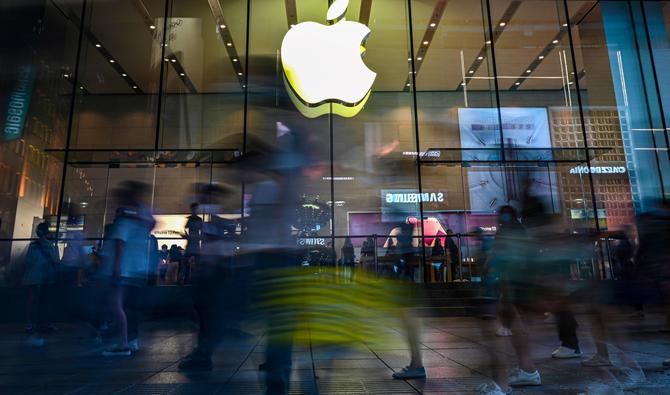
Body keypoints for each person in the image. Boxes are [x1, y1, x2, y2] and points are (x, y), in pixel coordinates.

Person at [100, 181, 155, 357]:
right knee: (127, 306)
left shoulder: (124, 221)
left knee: (116, 305)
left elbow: (119, 244)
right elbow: (151, 223)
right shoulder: (141, 219)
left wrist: (115, 268)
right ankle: (130, 340)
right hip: (136, 269)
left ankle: (123, 343)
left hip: (123, 269)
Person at [23, 222, 59, 346]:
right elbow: (55, 261)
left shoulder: (32, 246)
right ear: (48, 232)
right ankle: (44, 323)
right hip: (46, 277)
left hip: (32, 276)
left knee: (31, 300)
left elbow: (27, 261)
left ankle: (29, 324)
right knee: (45, 301)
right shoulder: (51, 246)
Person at [182, 203, 203, 285]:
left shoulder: (193, 219)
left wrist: (187, 236)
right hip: (194, 244)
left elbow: (185, 229)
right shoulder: (196, 219)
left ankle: (187, 280)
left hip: (193, 244)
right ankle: (191, 280)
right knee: (193, 263)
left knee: (188, 263)